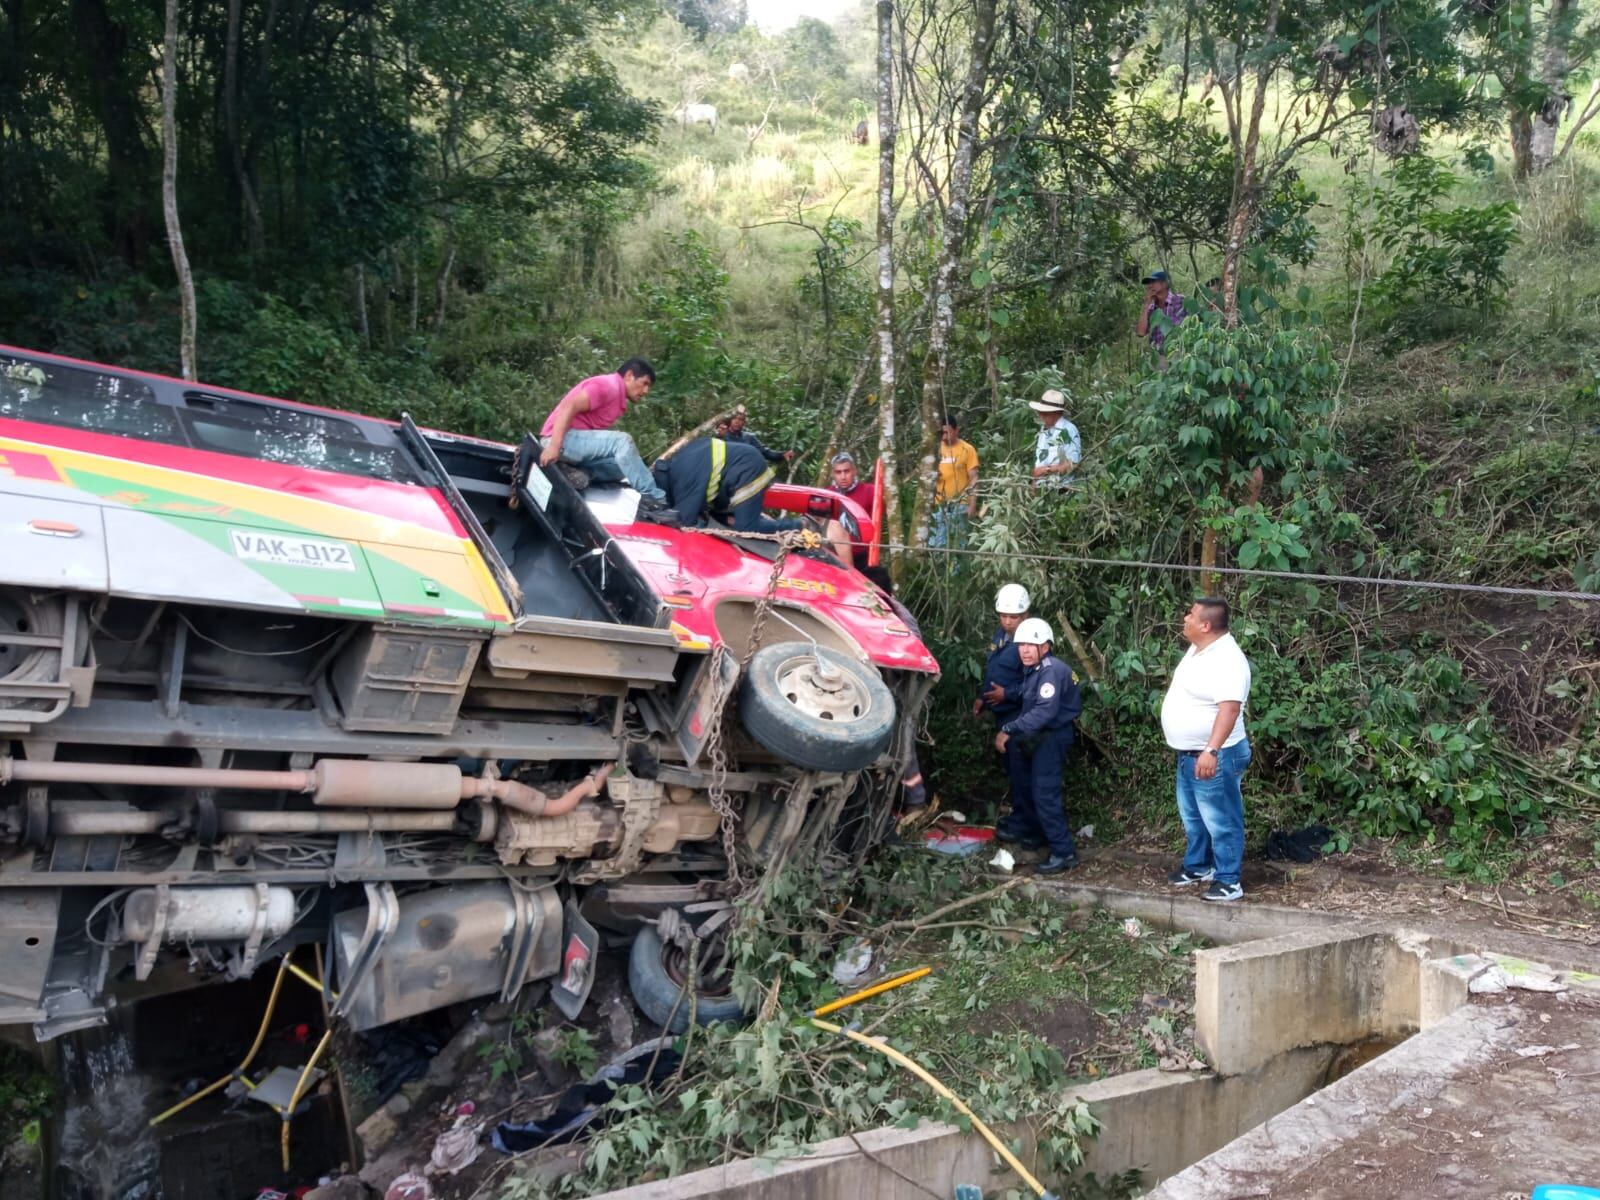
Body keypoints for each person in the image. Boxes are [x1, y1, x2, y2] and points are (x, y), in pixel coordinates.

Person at [1160, 597, 1253, 903]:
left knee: (1221, 819)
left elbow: (1229, 710)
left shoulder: (1227, 659)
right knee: (1194, 817)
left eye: (1191, 614)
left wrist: (1211, 750)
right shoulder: (1200, 648)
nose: (1184, 617)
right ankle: (1199, 866)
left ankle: (1229, 881)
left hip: (1216, 754)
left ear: (1205, 625)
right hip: (1190, 754)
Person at [652, 437, 852, 561]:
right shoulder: (680, 464)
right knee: (730, 521)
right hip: (735, 474)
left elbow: (683, 522)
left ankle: (800, 526)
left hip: (747, 469)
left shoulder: (683, 479)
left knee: (745, 528)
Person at [994, 618, 1082, 875]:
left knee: (1045, 794)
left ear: (1046, 647)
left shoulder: (1051, 671)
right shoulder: (1035, 670)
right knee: (1031, 788)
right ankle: (1039, 835)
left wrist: (1008, 729)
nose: (1025, 650)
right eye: (1022, 645)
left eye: (1032, 645)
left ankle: (1064, 853)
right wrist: (1007, 695)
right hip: (1039, 738)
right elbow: (1025, 692)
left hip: (1051, 738)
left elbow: (1044, 711)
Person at [538, 358, 673, 510]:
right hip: (559, 440)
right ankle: (655, 499)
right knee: (622, 442)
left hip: (574, 446)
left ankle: (578, 474)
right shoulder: (608, 386)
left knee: (624, 464)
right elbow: (568, 406)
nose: (646, 391)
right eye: (645, 383)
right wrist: (554, 446)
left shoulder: (617, 395)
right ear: (629, 375)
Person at [975, 583, 1031, 835]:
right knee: (1011, 768)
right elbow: (993, 669)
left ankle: (1024, 823)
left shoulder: (1030, 643)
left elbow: (1035, 684)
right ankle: (1019, 816)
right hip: (1001, 714)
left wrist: (1006, 694)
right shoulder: (1000, 636)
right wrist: (982, 697)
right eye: (1004, 616)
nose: (1008, 621)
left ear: (1025, 615)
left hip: (1018, 715)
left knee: (1021, 771)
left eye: (1014, 617)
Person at [931, 416, 979, 549]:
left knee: (958, 545)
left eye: (947, 432)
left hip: (960, 504)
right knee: (936, 544)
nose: (944, 437)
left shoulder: (967, 449)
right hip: (938, 504)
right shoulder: (935, 449)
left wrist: (972, 504)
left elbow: (973, 478)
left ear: (956, 430)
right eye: (942, 433)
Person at [1030, 390, 1081, 489]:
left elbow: (1073, 464)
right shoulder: (1044, 431)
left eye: (1045, 413)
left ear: (1056, 413)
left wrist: (1046, 470)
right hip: (1042, 489)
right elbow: (1039, 465)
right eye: (1040, 413)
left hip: (1061, 489)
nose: (1041, 416)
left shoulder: (1068, 430)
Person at [1135, 270, 1187, 360]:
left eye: (1153, 282)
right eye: (1149, 283)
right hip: (1159, 357)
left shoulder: (1180, 301)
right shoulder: (1151, 309)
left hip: (1180, 354)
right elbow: (1140, 333)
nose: (1150, 286)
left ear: (1164, 284)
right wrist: (1146, 305)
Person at [723, 411, 795, 464]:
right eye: (734, 419)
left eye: (740, 419)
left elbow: (766, 452)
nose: (737, 422)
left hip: (746, 470)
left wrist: (782, 454)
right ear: (730, 421)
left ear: (744, 422)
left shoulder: (748, 437)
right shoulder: (722, 436)